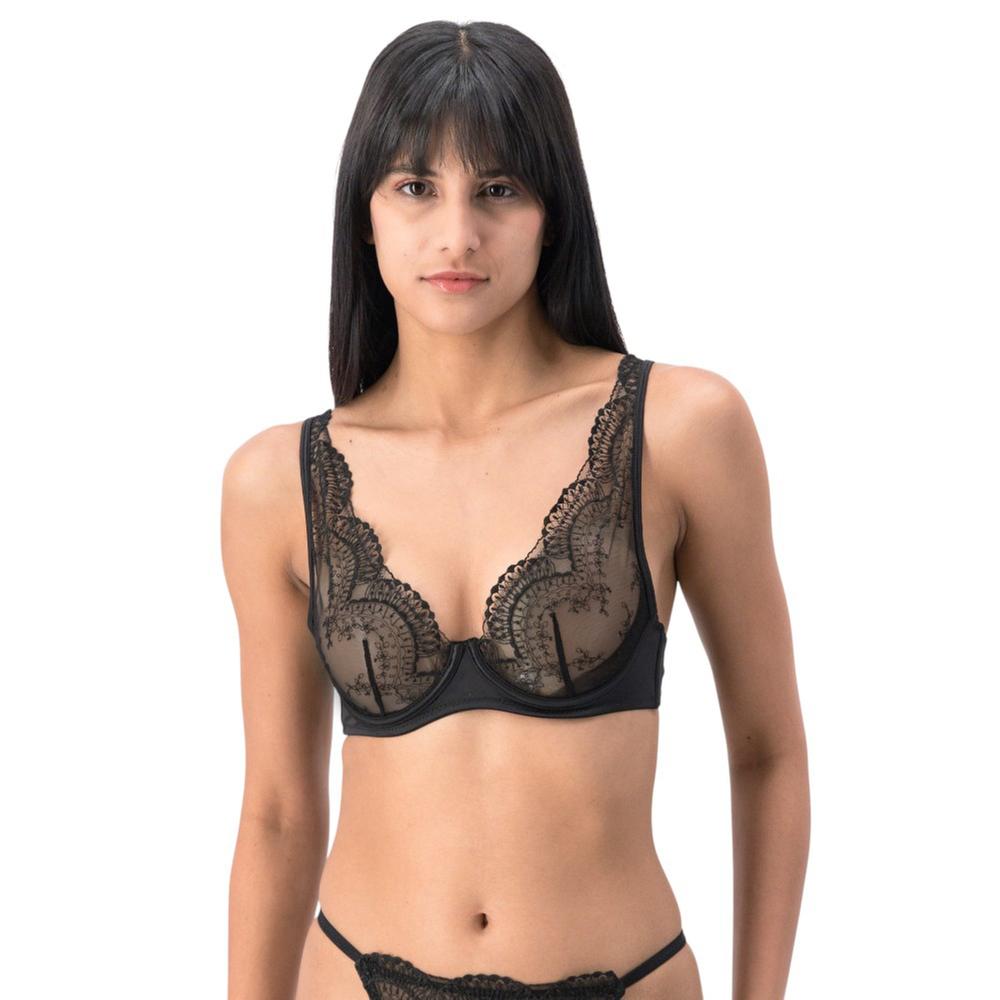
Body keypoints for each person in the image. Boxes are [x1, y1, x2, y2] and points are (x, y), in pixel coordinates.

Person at [221, 20, 810, 1000]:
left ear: (551, 211)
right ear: (364, 213)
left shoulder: (681, 429)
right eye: (416, 186)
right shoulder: (275, 480)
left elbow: (768, 751)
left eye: (497, 188)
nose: (457, 234)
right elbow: (279, 813)